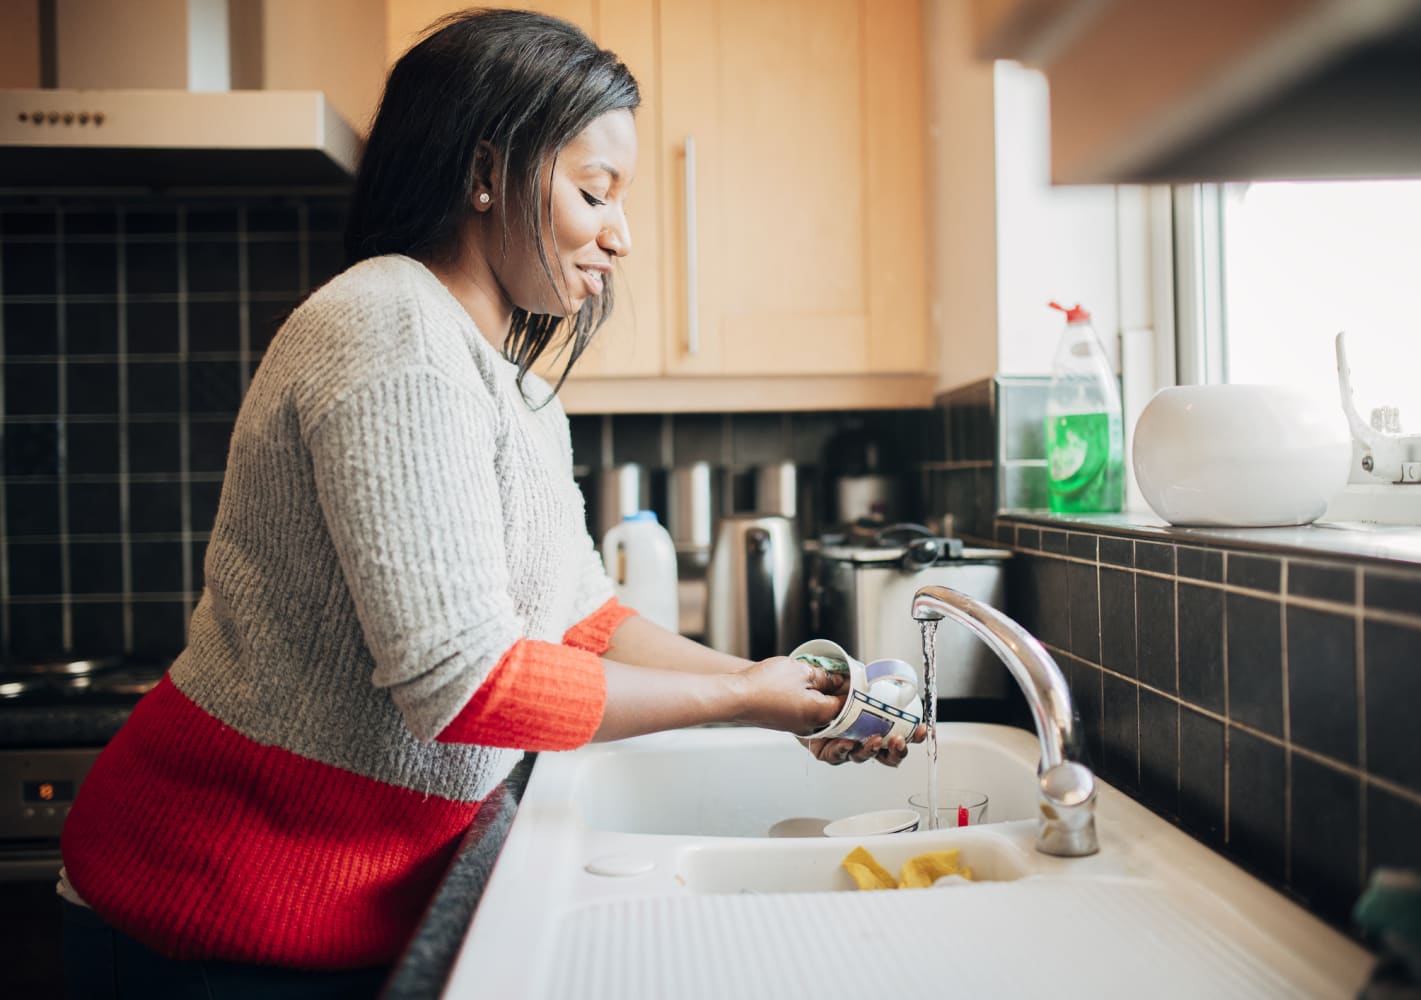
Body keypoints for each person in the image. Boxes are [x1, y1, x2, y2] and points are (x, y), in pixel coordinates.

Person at [57, 9, 922, 997]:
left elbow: (585, 622)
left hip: (348, 903)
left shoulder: (513, 388)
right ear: (484, 171)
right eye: (595, 191)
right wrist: (738, 698)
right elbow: (464, 683)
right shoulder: (388, 325)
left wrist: (771, 684)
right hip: (210, 900)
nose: (622, 234)